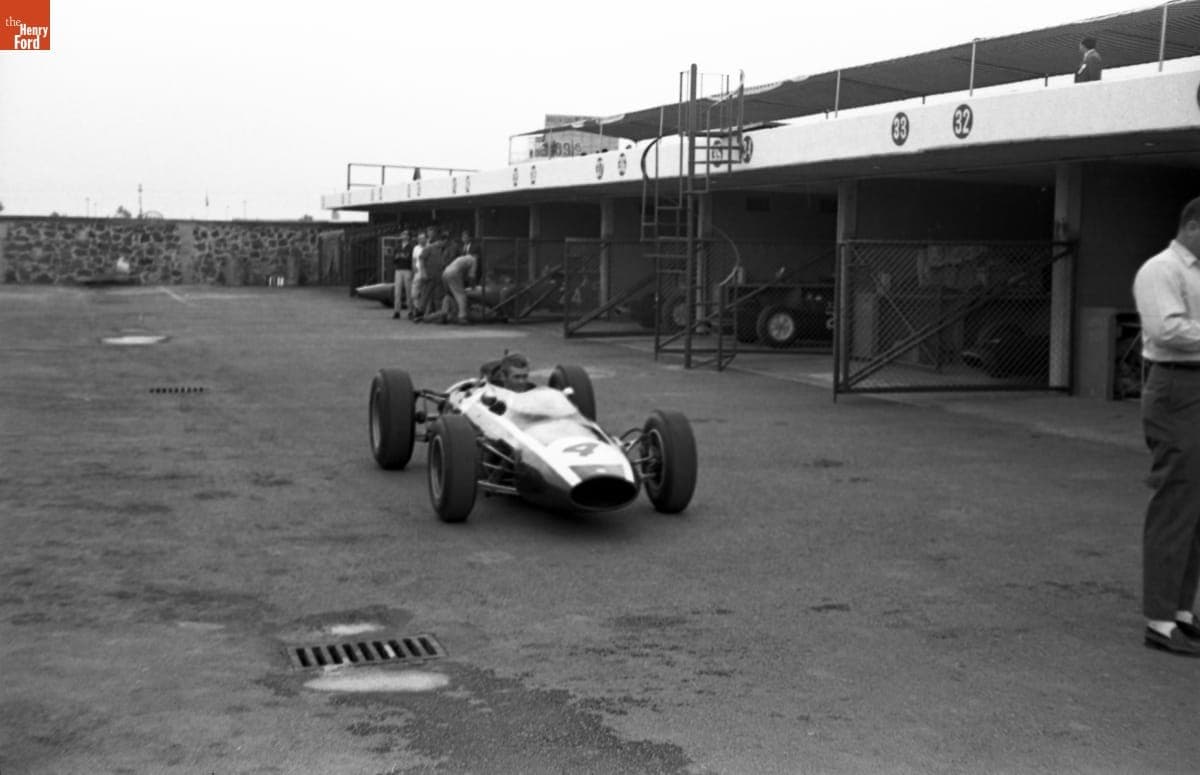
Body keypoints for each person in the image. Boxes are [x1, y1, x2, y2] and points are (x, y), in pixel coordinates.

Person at [1132, 195, 1200, 656]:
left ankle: (1181, 610)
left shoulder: (1194, 272)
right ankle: (1159, 619)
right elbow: (1167, 331)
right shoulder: (1161, 270)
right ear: (1193, 225)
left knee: (1195, 503)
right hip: (1177, 387)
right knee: (1176, 500)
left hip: (1193, 383)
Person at [440, 245, 479, 325]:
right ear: (476, 255)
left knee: (449, 294)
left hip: (445, 272)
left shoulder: (462, 257)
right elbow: (471, 276)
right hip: (453, 274)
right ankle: (462, 317)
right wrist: (473, 287)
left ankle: (444, 314)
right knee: (461, 295)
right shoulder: (474, 259)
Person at [391, 230, 414, 319]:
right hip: (399, 269)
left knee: (408, 291)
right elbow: (394, 259)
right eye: (402, 234)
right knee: (397, 292)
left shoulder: (411, 247)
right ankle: (397, 311)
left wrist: (402, 256)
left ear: (408, 237)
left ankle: (410, 311)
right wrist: (399, 257)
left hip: (407, 269)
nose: (403, 236)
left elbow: (410, 258)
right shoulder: (397, 247)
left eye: (405, 234)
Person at [409, 231, 428, 320]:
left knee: (424, 293)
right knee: (414, 294)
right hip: (417, 273)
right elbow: (413, 260)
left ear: (426, 239)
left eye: (423, 238)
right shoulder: (416, 248)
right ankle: (417, 309)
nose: (421, 240)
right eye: (419, 238)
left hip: (426, 273)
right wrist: (413, 269)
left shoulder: (429, 247)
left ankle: (423, 311)